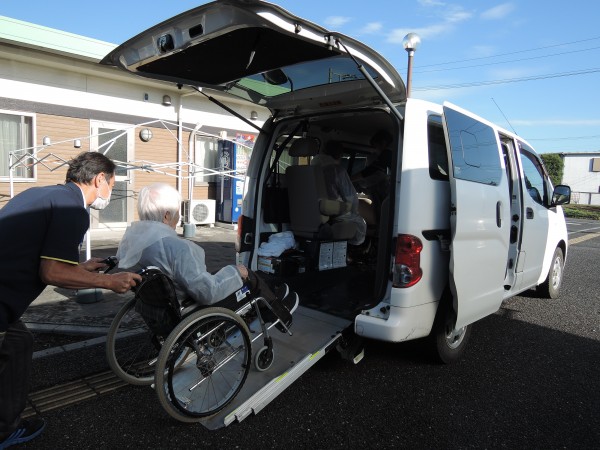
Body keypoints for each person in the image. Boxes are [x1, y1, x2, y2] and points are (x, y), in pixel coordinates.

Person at [0, 151, 142, 448]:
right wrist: (109, 281)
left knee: (19, 342)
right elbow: (52, 272)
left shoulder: (40, 195)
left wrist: (81, 269)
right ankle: (5, 430)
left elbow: (39, 256)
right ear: (99, 179)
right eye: (112, 185)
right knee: (14, 346)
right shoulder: (73, 209)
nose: (110, 192)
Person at [116, 182, 298, 327]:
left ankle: (269, 304)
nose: (180, 216)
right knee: (249, 277)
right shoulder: (178, 248)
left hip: (164, 312)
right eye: (178, 211)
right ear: (166, 216)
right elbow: (208, 293)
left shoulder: (136, 246)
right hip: (192, 311)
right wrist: (236, 272)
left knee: (226, 272)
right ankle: (280, 314)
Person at [311, 141, 366, 246]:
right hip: (334, 214)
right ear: (340, 155)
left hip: (311, 212)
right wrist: (354, 211)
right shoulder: (338, 171)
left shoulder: (308, 170)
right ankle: (354, 250)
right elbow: (351, 198)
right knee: (361, 223)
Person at [351, 129, 393, 210]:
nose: (375, 150)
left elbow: (369, 171)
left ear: (383, 143)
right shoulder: (391, 154)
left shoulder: (387, 153)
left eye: (376, 147)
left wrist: (348, 179)